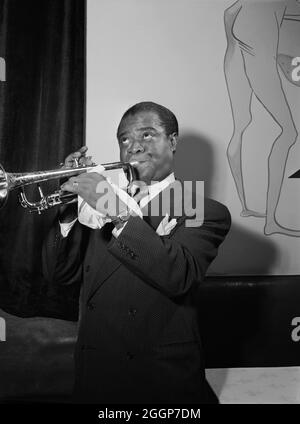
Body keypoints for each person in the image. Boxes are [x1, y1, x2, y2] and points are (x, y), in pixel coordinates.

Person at [42, 101, 231, 404]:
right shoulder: (100, 203)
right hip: (96, 373)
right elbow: (59, 275)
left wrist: (115, 209)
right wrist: (67, 209)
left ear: (172, 141)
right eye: (125, 139)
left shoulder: (198, 206)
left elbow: (179, 275)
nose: (133, 147)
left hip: (159, 378)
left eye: (147, 135)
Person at [224, 0, 299, 236]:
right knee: (289, 132)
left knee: (241, 124)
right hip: (258, 43)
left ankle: (245, 207)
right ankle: (271, 222)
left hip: (235, 48)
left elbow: (229, 12)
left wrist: (233, 45)